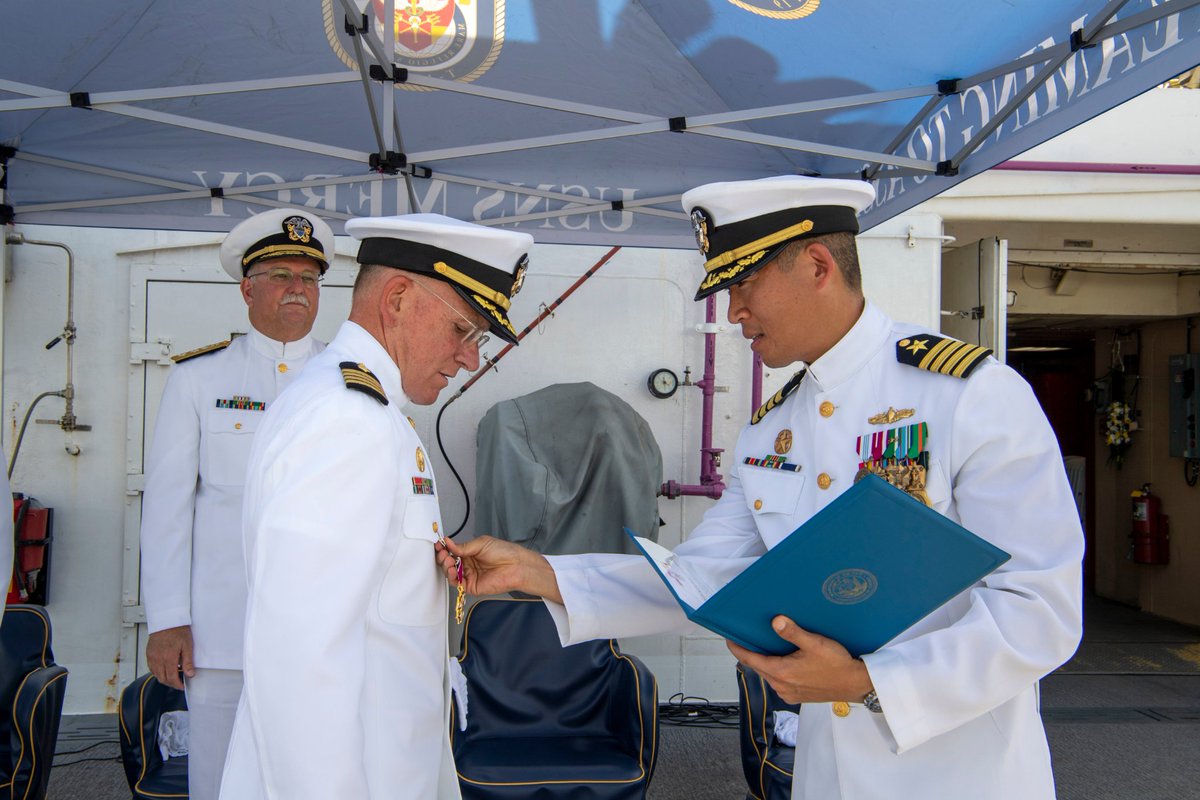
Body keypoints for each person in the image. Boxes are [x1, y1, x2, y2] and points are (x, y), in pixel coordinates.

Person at [438, 176, 1084, 800]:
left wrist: (869, 683)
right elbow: (704, 578)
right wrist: (541, 572)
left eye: (743, 282)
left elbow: (1039, 607)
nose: (734, 311)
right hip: (826, 768)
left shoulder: (967, 393)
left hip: (961, 771)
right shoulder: (771, 429)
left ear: (817, 264)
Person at [218, 213, 532, 800]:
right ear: (397, 298)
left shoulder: (363, 407)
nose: (471, 360)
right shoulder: (346, 419)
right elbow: (301, 658)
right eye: (464, 330)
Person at [139, 207, 334, 800]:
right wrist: (168, 619)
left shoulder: (347, 380)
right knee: (222, 781)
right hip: (224, 632)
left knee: (314, 777)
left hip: (321, 630)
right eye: (282, 275)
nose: (298, 289)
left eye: (309, 277)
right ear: (248, 289)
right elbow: (168, 509)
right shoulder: (199, 380)